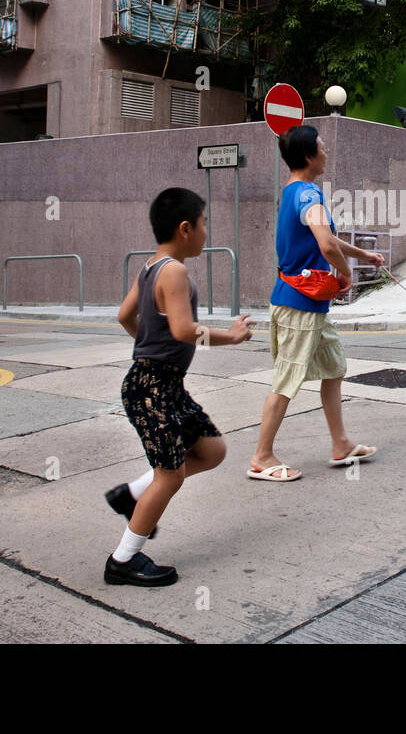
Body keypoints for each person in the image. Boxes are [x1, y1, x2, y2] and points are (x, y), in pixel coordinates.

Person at [103, 187, 252, 587]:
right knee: (169, 476)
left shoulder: (150, 266)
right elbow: (185, 330)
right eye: (204, 224)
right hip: (152, 387)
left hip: (162, 384)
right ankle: (123, 560)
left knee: (211, 449)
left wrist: (151, 348)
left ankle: (131, 495)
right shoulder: (174, 271)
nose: (207, 233)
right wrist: (231, 337)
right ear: (185, 228)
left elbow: (124, 316)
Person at [249, 125, 385, 482]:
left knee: (334, 368)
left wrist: (362, 255)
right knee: (287, 379)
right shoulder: (309, 193)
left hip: (310, 304)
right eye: (322, 148)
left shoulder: (295, 191)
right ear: (309, 157)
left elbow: (328, 240)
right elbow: (326, 245)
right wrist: (345, 276)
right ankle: (262, 456)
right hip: (299, 305)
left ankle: (340, 444)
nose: (326, 153)